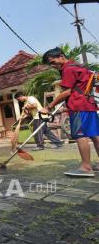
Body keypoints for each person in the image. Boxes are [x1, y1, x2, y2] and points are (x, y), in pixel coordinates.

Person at [40, 47, 99, 177]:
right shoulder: (79, 66)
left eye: (53, 62)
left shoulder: (67, 69)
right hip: (89, 104)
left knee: (80, 135)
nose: (53, 65)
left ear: (61, 56)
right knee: (95, 136)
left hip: (78, 106)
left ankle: (86, 167)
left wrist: (49, 106)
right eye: (50, 64)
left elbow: (67, 92)